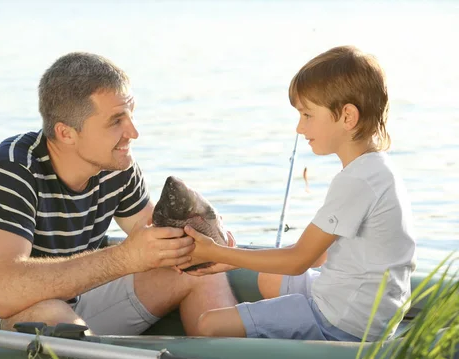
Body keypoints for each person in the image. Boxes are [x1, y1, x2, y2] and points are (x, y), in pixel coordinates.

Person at [0, 52, 237, 335]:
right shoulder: (10, 171)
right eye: (116, 121)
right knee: (51, 316)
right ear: (66, 133)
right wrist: (124, 258)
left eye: (130, 114)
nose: (133, 132)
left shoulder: (116, 166)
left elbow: (155, 238)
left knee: (198, 274)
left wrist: (209, 251)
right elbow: (4, 294)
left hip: (71, 307)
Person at [178, 46, 416, 342]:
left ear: (347, 116)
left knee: (208, 325)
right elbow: (323, 252)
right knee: (269, 280)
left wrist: (216, 252)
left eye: (307, 115)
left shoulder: (356, 181)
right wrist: (234, 259)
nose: (299, 127)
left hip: (341, 321)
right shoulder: (376, 168)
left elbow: (299, 260)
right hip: (363, 308)